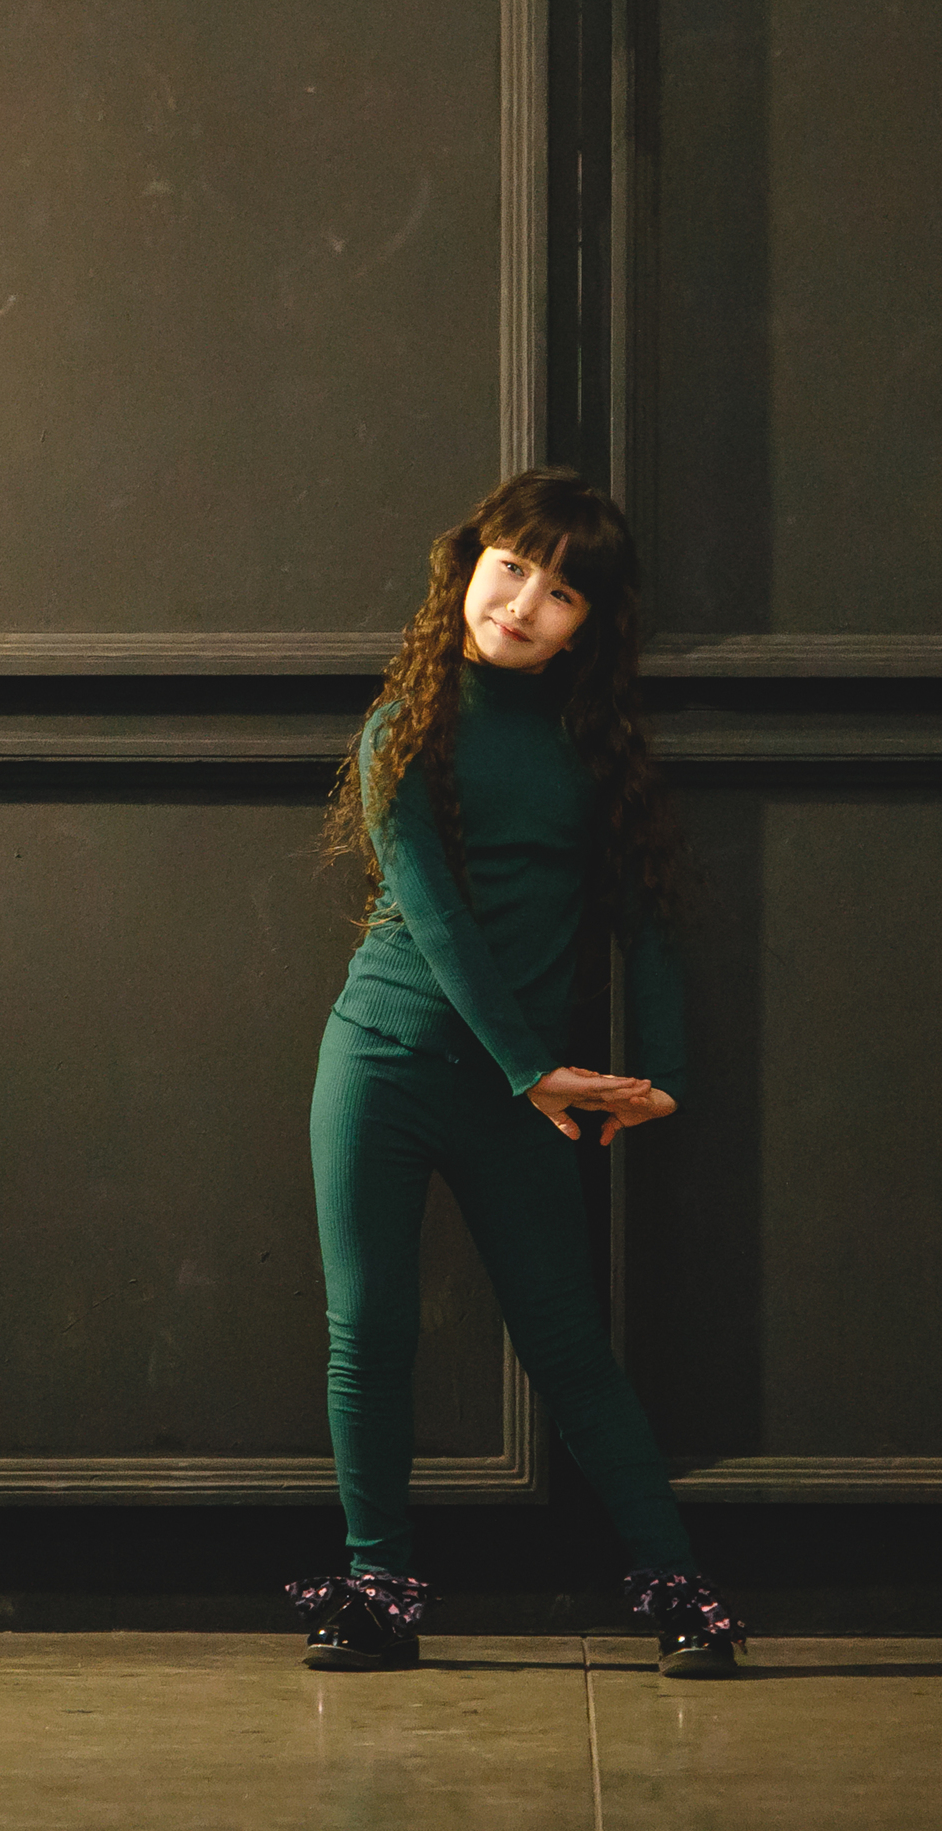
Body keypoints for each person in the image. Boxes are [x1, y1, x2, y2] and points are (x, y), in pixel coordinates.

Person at [285, 469, 745, 1678]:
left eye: (560, 593)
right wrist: (532, 1068)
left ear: (588, 624)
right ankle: (378, 1592)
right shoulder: (402, 727)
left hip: (519, 1095)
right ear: (467, 567)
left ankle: (679, 1593)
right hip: (381, 1065)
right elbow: (436, 922)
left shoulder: (594, 750)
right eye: (510, 569)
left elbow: (646, 921)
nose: (524, 604)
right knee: (368, 1331)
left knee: (567, 1345)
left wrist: (664, 1075)